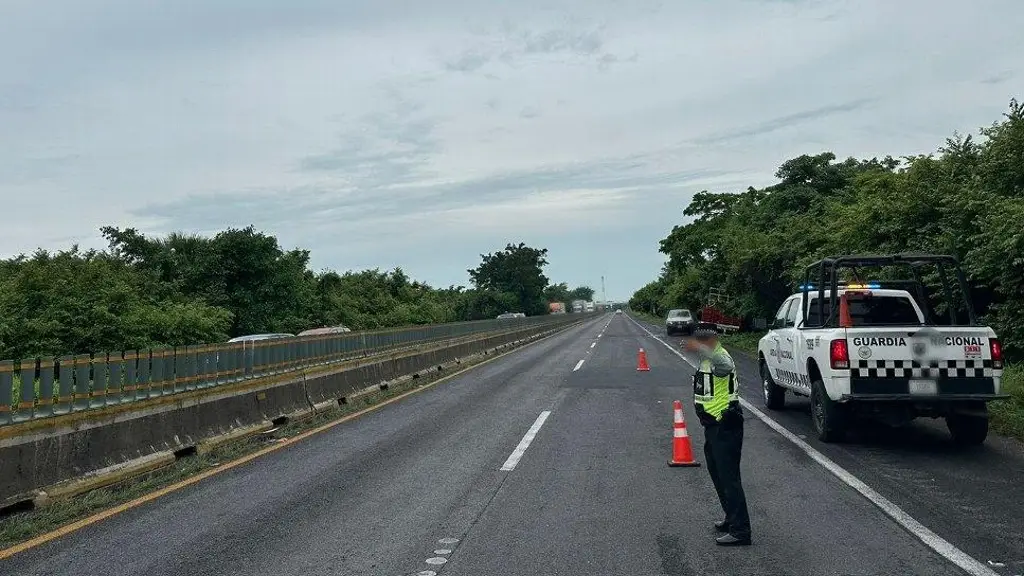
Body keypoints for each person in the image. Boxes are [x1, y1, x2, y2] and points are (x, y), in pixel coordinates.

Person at [685, 322, 751, 546]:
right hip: (713, 426)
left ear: (709, 340)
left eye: (701, 340)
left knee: (729, 478)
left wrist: (702, 348)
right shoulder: (708, 358)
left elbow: (722, 367)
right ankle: (731, 518)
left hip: (725, 423)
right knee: (717, 474)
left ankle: (741, 531)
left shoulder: (720, 356)